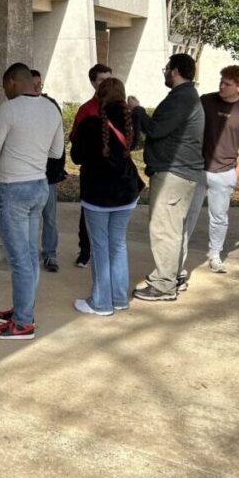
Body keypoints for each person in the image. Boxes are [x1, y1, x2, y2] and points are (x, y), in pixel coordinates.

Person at [0, 63, 64, 340]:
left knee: (19, 260)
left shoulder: (10, 108)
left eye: (5, 86)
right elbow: (56, 151)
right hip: (39, 186)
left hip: (13, 189)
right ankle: (22, 308)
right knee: (29, 255)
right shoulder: (52, 108)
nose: (5, 91)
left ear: (13, 82)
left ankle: (23, 322)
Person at [128, 53, 205, 301]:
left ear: (174, 71)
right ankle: (169, 274)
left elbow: (156, 129)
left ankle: (164, 285)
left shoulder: (182, 98)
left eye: (167, 68)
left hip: (175, 173)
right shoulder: (185, 97)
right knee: (171, 228)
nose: (164, 72)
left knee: (165, 230)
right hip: (179, 172)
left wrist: (137, 110)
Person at [70, 78, 145, 315]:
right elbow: (134, 146)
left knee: (100, 246)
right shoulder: (129, 121)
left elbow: (76, 157)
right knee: (118, 244)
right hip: (125, 192)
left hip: (97, 194)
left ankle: (101, 302)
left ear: (99, 96)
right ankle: (119, 298)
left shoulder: (90, 123)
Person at [180, 65, 239, 278]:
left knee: (219, 217)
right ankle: (178, 257)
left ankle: (215, 255)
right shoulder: (206, 100)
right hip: (197, 169)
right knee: (188, 215)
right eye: (221, 82)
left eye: (227, 84)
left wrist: (237, 174)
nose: (221, 86)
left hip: (224, 172)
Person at [71, 64, 114, 267]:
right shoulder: (86, 110)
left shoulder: (119, 108)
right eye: (101, 80)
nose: (106, 84)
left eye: (109, 79)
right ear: (92, 82)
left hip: (114, 171)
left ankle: (107, 252)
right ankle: (85, 251)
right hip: (91, 171)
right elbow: (75, 140)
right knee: (87, 211)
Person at [32, 69, 65, 273]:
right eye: (33, 84)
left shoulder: (50, 105)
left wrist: (56, 170)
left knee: (49, 216)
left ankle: (50, 254)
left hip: (48, 173)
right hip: (28, 173)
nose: (37, 88)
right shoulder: (21, 106)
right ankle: (31, 253)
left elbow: (58, 145)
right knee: (30, 217)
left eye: (40, 84)